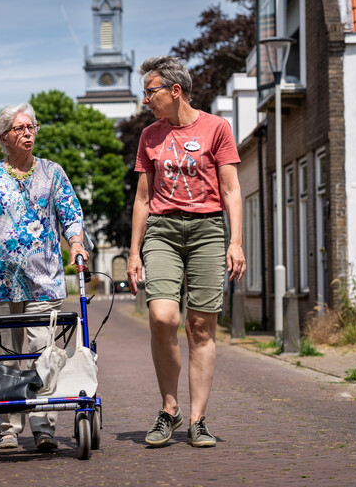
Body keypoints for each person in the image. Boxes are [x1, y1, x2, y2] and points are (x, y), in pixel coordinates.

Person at [0, 103, 91, 453]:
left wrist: (75, 243)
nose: (28, 133)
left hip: (44, 280)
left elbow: (71, 215)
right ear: (3, 138)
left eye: (31, 127)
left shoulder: (53, 173)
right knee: (5, 355)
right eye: (19, 128)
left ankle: (44, 426)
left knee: (43, 350)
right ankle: (9, 428)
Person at [127, 56, 246, 448]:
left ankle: (197, 419)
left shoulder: (216, 128)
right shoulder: (150, 137)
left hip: (207, 230)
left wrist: (236, 242)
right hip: (162, 229)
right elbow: (142, 198)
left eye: (151, 91)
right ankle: (169, 408)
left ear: (175, 91)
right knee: (163, 317)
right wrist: (134, 253)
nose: (145, 99)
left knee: (200, 327)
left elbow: (231, 190)